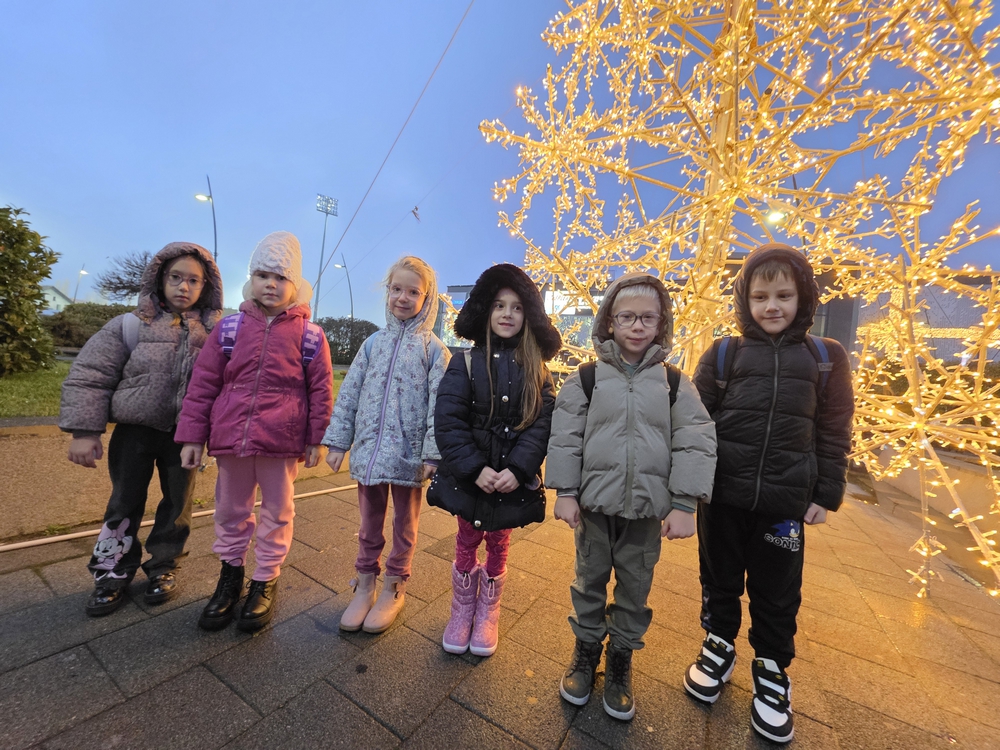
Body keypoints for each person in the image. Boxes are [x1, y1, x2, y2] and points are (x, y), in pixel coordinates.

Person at [683, 243, 854, 744]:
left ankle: (773, 668)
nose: (772, 306)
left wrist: (827, 491)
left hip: (784, 504)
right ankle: (718, 643)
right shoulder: (724, 353)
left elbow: (835, 429)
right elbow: (695, 424)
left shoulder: (825, 358)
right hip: (721, 495)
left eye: (783, 295)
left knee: (777, 591)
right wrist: (688, 484)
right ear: (745, 300)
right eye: (760, 297)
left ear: (804, 298)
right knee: (719, 577)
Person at [547, 273, 717, 721]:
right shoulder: (586, 378)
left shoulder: (674, 383)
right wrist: (565, 491)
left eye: (647, 318)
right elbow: (565, 436)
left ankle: (620, 658)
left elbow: (696, 440)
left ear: (661, 323)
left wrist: (685, 503)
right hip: (593, 509)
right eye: (627, 317)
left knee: (635, 590)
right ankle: (586, 650)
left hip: (646, 513)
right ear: (610, 321)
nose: (637, 326)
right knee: (588, 581)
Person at [176, 231, 333, 633]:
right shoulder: (228, 329)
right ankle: (230, 575)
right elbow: (204, 384)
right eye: (263, 275)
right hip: (232, 439)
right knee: (230, 510)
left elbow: (321, 391)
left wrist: (317, 439)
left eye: (280, 277)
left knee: (278, 512)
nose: (271, 284)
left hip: (281, 441)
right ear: (251, 279)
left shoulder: (311, 337)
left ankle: (265, 578)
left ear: (295, 284)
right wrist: (192, 436)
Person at [60, 242, 223, 616]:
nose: (183, 286)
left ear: (206, 287)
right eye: (175, 277)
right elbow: (91, 374)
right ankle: (112, 571)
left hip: (184, 437)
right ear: (160, 279)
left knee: (177, 505)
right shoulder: (130, 325)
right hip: (133, 432)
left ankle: (164, 565)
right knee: (123, 501)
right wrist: (85, 431)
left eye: (193, 280)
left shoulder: (213, 335)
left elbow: (224, 385)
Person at [431, 264, 561, 656]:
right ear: (487, 311)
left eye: (517, 307)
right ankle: (462, 607)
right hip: (471, 478)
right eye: (500, 306)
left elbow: (542, 423)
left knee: (499, 542)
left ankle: (489, 608)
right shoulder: (466, 362)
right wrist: (473, 467)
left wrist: (519, 468)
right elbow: (449, 419)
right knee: (467, 538)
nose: (507, 314)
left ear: (529, 316)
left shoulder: (538, 371)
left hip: (509, 480)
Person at [322, 255, 450, 634]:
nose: (403, 298)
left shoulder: (433, 350)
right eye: (397, 289)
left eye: (413, 292)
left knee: (404, 526)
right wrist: (338, 441)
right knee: (368, 525)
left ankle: (395, 585)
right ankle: (364, 585)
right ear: (388, 291)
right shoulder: (372, 344)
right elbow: (350, 394)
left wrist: (433, 452)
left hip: (409, 457)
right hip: (370, 453)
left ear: (427, 298)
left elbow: (440, 406)